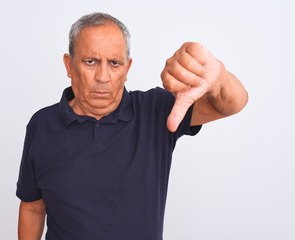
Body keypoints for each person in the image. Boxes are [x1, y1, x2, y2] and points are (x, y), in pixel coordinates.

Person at [16, 12, 248, 240]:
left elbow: (233, 103)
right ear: (69, 65)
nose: (103, 76)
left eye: (114, 63)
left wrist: (218, 77)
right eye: (90, 61)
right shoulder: (42, 125)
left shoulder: (156, 111)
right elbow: (33, 207)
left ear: (127, 69)